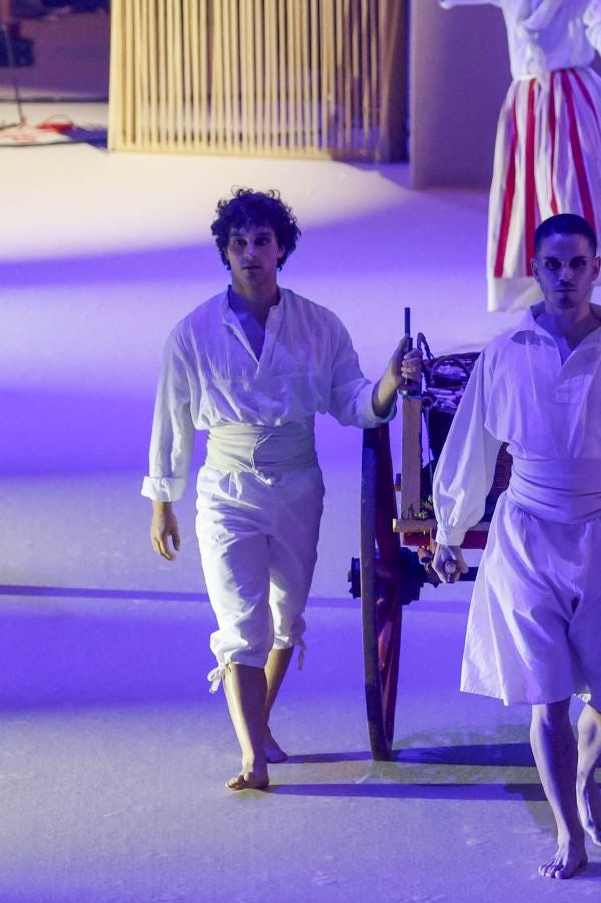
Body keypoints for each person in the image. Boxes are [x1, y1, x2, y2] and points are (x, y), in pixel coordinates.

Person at [430, 213, 601, 880]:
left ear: (595, 269)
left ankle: (584, 781)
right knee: (548, 695)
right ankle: (566, 831)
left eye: (577, 264)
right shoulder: (506, 351)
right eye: (552, 266)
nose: (565, 278)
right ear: (537, 270)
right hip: (525, 534)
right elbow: (471, 446)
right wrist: (448, 529)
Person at [146, 189, 418, 791]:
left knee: (283, 620)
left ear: (282, 248)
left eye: (261, 241)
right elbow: (171, 420)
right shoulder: (192, 334)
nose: (250, 253)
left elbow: (353, 402)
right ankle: (253, 756)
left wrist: (390, 383)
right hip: (225, 488)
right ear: (225, 252)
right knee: (240, 624)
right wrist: (163, 502)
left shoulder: (319, 325)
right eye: (238, 243)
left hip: (298, 485)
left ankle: (258, 723)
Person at [396, 0, 601, 313]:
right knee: (526, 197)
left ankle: (580, 289)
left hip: (573, 101)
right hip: (528, 102)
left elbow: (599, 32)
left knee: (571, 196)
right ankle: (540, 292)